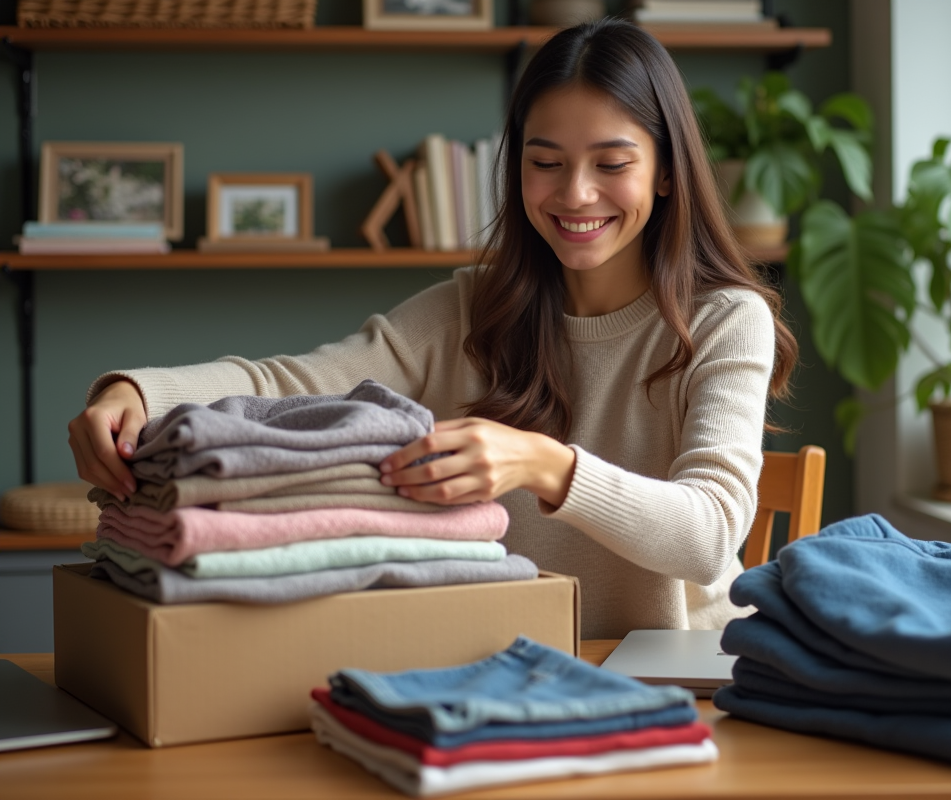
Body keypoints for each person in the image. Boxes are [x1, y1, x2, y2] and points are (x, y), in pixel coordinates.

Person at [67, 19, 798, 639]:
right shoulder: (476, 306)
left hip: (674, 686)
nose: (576, 193)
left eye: (612, 163)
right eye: (546, 163)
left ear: (667, 172)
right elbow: (293, 382)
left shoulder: (726, 319)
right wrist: (138, 391)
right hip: (494, 663)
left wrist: (542, 464)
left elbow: (710, 535)